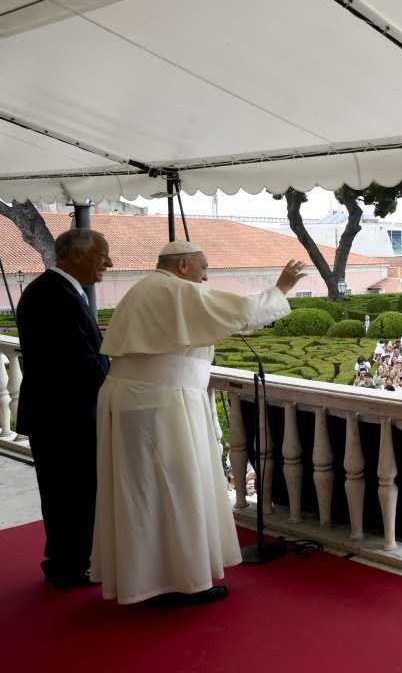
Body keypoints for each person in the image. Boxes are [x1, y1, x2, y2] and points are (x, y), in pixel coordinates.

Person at [90, 241, 305, 605]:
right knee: (177, 487)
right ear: (184, 265)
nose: (206, 276)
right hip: (161, 403)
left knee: (141, 493)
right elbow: (241, 311)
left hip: (139, 398)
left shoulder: (147, 287)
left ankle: (144, 579)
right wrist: (281, 287)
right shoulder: (173, 288)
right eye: (203, 268)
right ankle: (181, 581)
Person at [16, 228, 113, 588]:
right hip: (64, 416)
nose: (109, 262)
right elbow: (79, 363)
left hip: (59, 414)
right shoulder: (53, 296)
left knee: (68, 493)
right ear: (75, 255)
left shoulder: (55, 290)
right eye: (103, 254)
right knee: (70, 495)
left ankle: (69, 561)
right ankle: (69, 566)